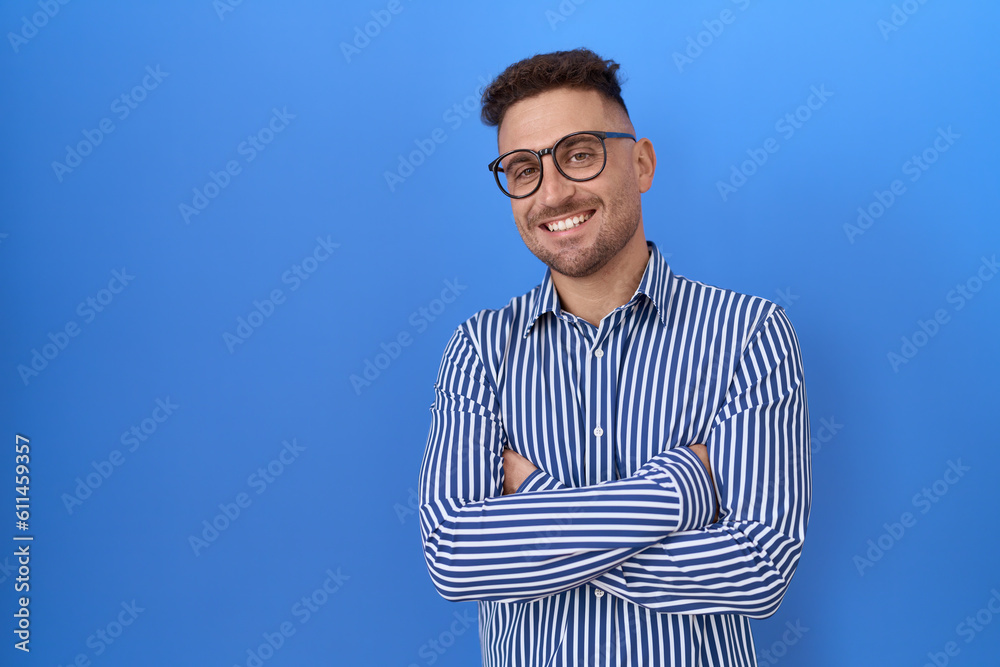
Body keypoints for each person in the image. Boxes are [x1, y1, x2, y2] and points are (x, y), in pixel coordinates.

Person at [417, 48, 811, 666]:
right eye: (523, 169)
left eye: (579, 154)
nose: (551, 192)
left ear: (642, 163)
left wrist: (537, 500)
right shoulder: (479, 350)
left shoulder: (750, 335)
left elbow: (757, 571)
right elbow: (456, 559)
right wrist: (679, 485)